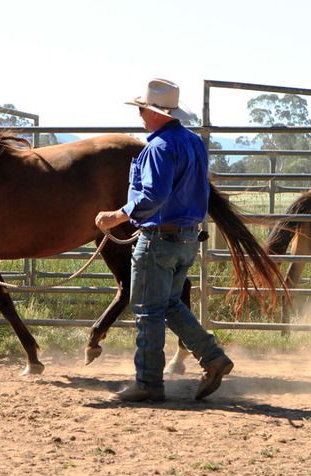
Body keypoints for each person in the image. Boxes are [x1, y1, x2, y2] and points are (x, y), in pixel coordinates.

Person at [95, 78, 233, 402]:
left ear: (156, 113)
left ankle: (148, 382)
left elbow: (153, 196)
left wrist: (116, 216)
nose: (140, 115)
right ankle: (213, 358)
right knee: (169, 304)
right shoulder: (193, 143)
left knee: (147, 310)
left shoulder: (158, 147)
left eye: (142, 109)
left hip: (158, 238)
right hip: (186, 237)